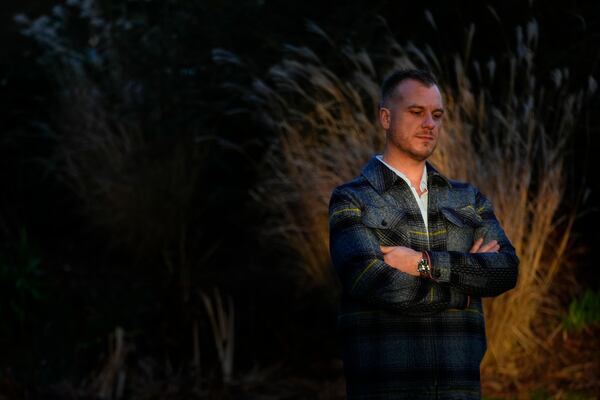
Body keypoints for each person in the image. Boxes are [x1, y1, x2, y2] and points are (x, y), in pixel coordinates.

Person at [328, 68, 520, 399]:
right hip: (386, 388)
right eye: (416, 112)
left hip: (459, 387)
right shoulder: (352, 198)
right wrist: (464, 290)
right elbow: (373, 282)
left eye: (437, 115)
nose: (430, 124)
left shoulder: (466, 197)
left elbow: (506, 269)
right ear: (385, 118)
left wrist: (424, 263)